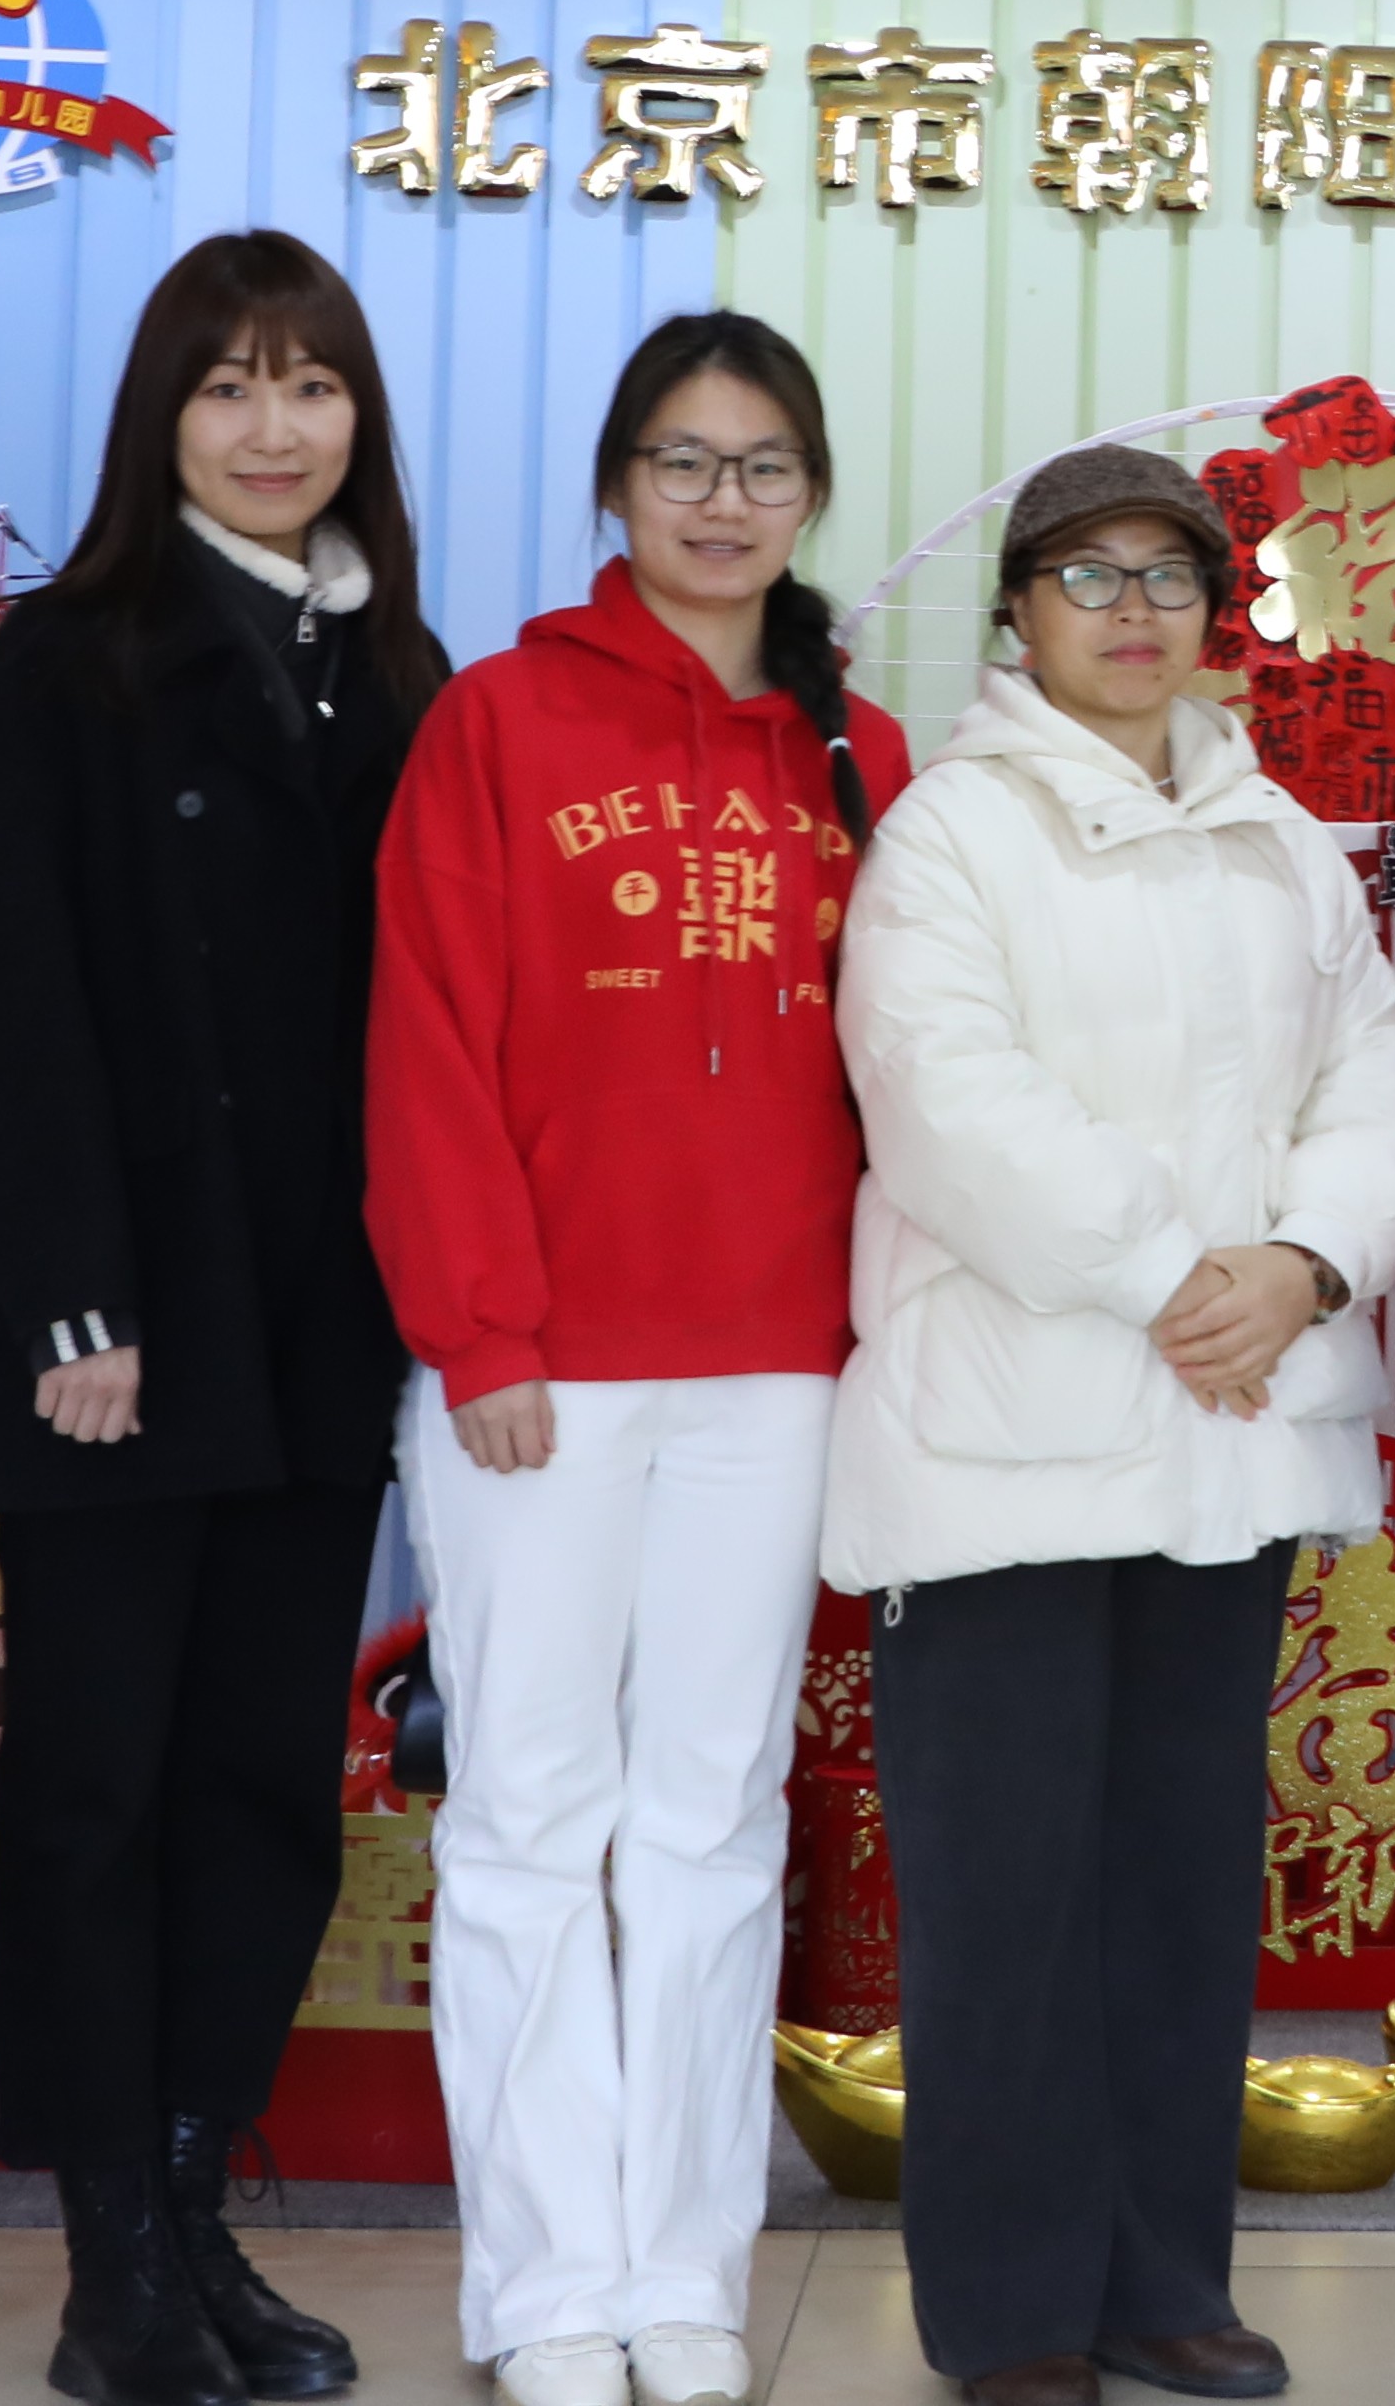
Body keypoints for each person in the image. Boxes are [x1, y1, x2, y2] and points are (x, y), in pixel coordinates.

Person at [829, 443, 1395, 2406]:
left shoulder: (1282, 843)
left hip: (1223, 1441)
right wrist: (1186, 1273)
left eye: (1171, 575)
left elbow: (1379, 1076)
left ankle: (1164, 2279)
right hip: (1007, 1446)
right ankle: (1012, 2310)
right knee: (1006, 1900)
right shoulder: (951, 830)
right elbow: (944, 1092)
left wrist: (1310, 1260)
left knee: (1178, 1885)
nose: (1133, 609)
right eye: (1088, 574)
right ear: (1017, 611)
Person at [0, 233, 450, 2406]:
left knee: (260, 1786)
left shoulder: (399, 666)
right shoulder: (73, 659)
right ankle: (107, 2265)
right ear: (163, 417)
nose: (272, 426)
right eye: (227, 385)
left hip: (322, 1326)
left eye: (311, 384)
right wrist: (72, 1302)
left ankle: (196, 2205)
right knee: (98, 1792)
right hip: (118, 1338)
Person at [367, 310, 913, 2406]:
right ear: (616, 484)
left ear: (811, 494)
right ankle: (542, 2286)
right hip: (541, 1369)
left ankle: (683, 2274)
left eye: (763, 464)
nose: (721, 499)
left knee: (712, 1819)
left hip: (778, 1368)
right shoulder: (499, 718)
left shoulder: (858, 751)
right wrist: (481, 1325)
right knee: (526, 1816)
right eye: (682, 459)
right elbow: (428, 1040)